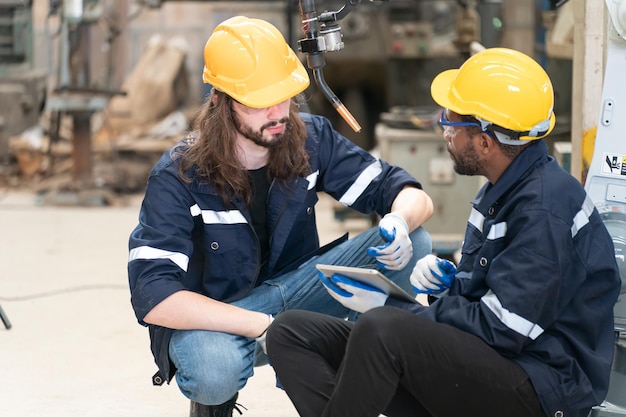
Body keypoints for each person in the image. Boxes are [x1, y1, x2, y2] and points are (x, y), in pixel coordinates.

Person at [266, 47, 622, 417]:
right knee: (292, 334)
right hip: (495, 362)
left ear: (485, 141)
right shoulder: (502, 190)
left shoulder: (545, 208)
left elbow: (504, 329)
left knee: (381, 330)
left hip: (541, 386)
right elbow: (490, 306)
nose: (443, 127)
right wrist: (449, 288)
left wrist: (394, 306)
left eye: (451, 120)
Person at [126, 15, 434, 417]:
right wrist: (261, 327)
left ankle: (373, 368)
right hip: (222, 316)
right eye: (259, 101)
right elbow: (154, 296)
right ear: (220, 101)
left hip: (299, 290)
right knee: (212, 371)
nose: (277, 112)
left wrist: (398, 221)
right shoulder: (179, 174)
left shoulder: (309, 137)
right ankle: (216, 404)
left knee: (416, 242)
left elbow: (408, 193)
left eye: (284, 95)